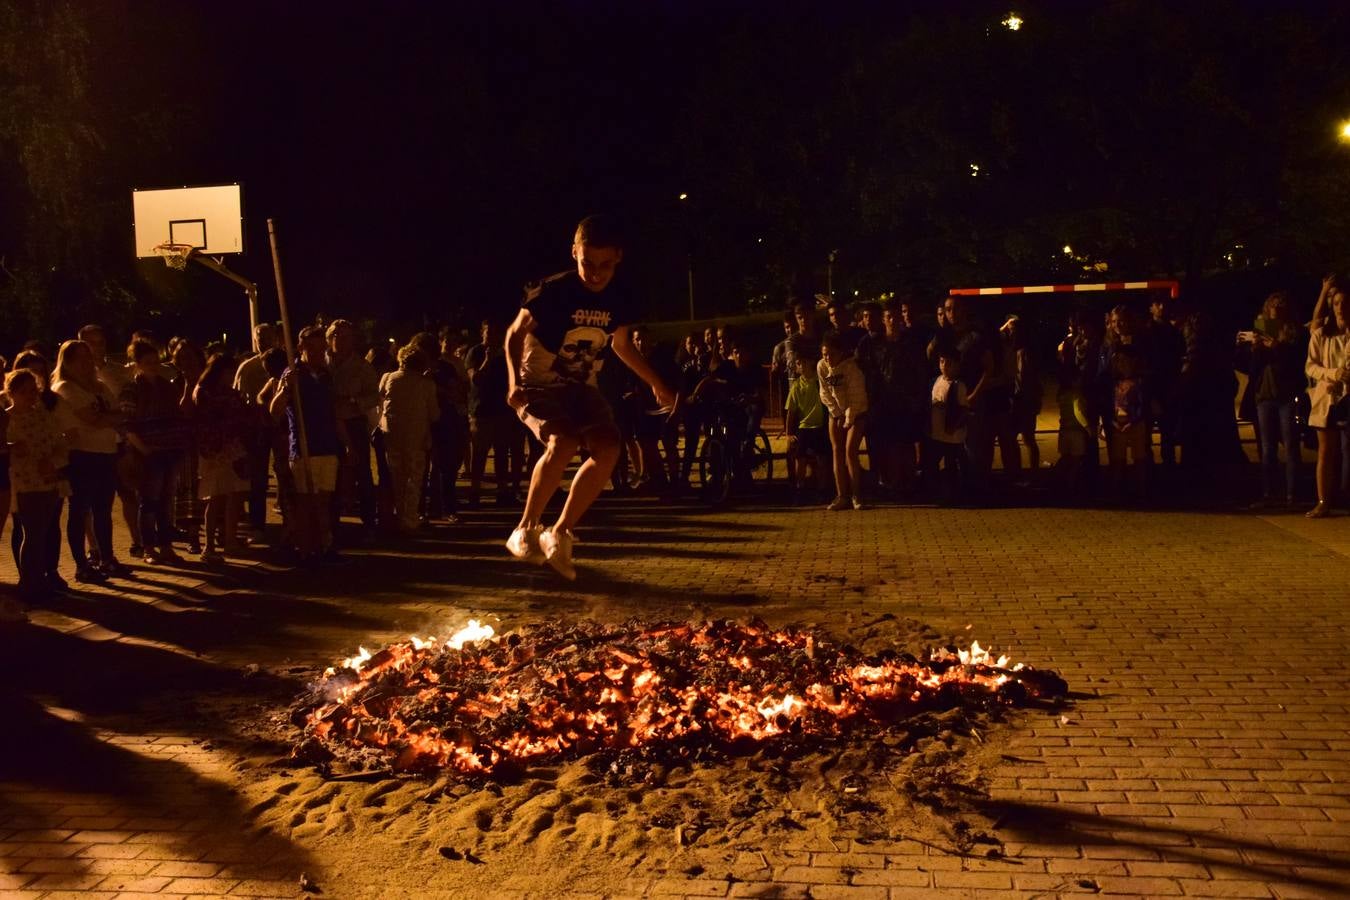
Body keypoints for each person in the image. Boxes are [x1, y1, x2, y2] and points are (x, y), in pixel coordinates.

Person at [504, 214, 675, 580]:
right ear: (574, 253)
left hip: (581, 387)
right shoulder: (552, 291)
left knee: (609, 448)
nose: (595, 274)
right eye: (587, 264)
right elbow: (514, 334)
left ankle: (560, 533)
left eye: (605, 266)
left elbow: (622, 345)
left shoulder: (620, 297)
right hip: (538, 384)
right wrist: (512, 384)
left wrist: (655, 382)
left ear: (618, 258)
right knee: (562, 443)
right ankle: (525, 528)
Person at [270, 325, 350, 561]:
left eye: (320, 347)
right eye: (311, 347)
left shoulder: (325, 375)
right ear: (301, 347)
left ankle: (322, 545)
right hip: (305, 447)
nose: (316, 352)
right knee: (306, 502)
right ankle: (305, 548)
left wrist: (346, 443)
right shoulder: (293, 374)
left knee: (323, 501)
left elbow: (334, 412)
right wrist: (286, 388)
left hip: (327, 446)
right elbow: (274, 411)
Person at [51, 339, 125, 581]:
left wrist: (106, 417)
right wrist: (107, 417)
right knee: (80, 510)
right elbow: (92, 418)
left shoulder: (100, 386)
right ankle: (82, 564)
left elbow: (117, 413)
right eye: (79, 358)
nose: (86, 362)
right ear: (68, 362)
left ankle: (107, 558)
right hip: (82, 455)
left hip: (106, 452)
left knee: (103, 510)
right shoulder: (66, 388)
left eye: (88, 356)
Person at [4, 368, 67, 604]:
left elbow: (60, 444)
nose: (31, 396)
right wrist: (12, 448)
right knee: (32, 534)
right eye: (24, 392)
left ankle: (38, 580)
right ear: (12, 393)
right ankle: (30, 583)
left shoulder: (42, 416)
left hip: (47, 481)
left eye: (34, 390)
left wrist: (54, 462)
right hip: (23, 484)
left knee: (42, 533)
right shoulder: (7, 418)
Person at [122, 339, 187, 564]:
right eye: (147, 362)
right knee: (148, 501)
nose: (153, 365)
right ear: (137, 363)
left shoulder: (167, 386)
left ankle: (166, 545)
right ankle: (149, 547)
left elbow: (176, 416)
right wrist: (144, 448)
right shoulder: (132, 388)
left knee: (166, 501)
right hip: (148, 452)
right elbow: (127, 423)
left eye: (155, 361)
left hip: (169, 449)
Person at [1239, 291, 1306, 506]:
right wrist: (1253, 348)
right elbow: (1253, 368)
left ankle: (1292, 494)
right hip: (1265, 395)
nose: (1275, 308)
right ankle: (1269, 494)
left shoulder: (1294, 332)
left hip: (1286, 394)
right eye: (1272, 304)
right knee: (1267, 448)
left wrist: (1277, 348)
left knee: (1291, 445)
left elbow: (1296, 364)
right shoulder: (1263, 327)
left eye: (1280, 304)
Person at [194, 353, 251, 562]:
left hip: (233, 446)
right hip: (215, 449)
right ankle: (208, 546)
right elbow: (205, 420)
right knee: (215, 497)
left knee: (235, 494)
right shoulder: (205, 392)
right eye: (228, 372)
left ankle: (230, 540)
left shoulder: (231, 393)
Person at [378, 344, 440, 534]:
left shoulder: (387, 378)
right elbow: (435, 414)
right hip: (416, 439)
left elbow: (380, 399)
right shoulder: (426, 384)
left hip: (392, 436)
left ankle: (397, 515)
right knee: (414, 481)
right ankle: (410, 519)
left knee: (397, 479)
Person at [327, 319, 379, 539]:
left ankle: (369, 520)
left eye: (346, 336)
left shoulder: (362, 367)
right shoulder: (322, 363)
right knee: (332, 474)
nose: (341, 340)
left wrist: (354, 401)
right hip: (328, 425)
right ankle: (332, 522)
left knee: (362, 472)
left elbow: (374, 395)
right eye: (336, 336)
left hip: (354, 423)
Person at [465, 319, 524, 508]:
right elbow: (476, 379)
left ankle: (502, 491)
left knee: (501, 453)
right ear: (482, 333)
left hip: (503, 411)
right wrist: (487, 360)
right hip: (482, 411)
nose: (492, 336)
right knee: (480, 454)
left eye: (496, 332)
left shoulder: (506, 353)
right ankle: (475, 492)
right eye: (488, 332)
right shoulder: (476, 352)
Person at [1305, 277, 1350, 518]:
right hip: (1328, 399)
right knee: (1326, 452)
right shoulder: (1322, 334)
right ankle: (1323, 501)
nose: (1341, 308)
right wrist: (1332, 374)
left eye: (1345, 303)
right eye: (1336, 303)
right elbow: (1310, 367)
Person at [235, 323, 280, 542]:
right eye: (259, 337)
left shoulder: (285, 364)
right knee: (258, 479)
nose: (263, 341)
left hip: (281, 428)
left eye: (268, 336)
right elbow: (240, 399)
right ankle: (257, 525)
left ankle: (291, 523)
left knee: (286, 474)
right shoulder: (248, 368)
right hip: (257, 430)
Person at [818, 331, 869, 510]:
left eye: (831, 354)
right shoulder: (822, 367)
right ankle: (842, 495)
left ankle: (857, 495)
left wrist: (847, 419)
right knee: (837, 451)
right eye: (824, 354)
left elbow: (856, 396)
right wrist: (836, 414)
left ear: (840, 352)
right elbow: (824, 393)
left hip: (856, 411)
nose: (828, 358)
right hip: (836, 412)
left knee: (850, 451)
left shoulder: (851, 368)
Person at [784, 351, 829, 501]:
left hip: (820, 426)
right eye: (798, 363)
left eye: (802, 362)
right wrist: (788, 433)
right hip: (804, 427)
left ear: (810, 363)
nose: (800, 366)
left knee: (822, 458)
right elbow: (791, 411)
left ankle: (823, 489)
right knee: (800, 458)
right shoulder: (796, 386)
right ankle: (800, 487)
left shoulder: (819, 381)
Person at [1003, 315, 1043, 475]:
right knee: (1017, 439)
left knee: (1026, 438)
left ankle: (1030, 471)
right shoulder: (1013, 351)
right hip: (1019, 400)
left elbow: (1026, 378)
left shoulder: (1023, 352)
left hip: (1023, 401)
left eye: (1013, 330)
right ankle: (1022, 471)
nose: (1010, 333)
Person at [929, 346, 970, 501]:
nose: (944, 366)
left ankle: (954, 493)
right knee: (936, 463)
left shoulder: (958, 385)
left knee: (951, 463)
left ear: (957, 365)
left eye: (949, 363)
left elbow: (964, 409)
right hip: (937, 432)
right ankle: (939, 491)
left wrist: (955, 425)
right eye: (942, 362)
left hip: (952, 434)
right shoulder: (937, 381)